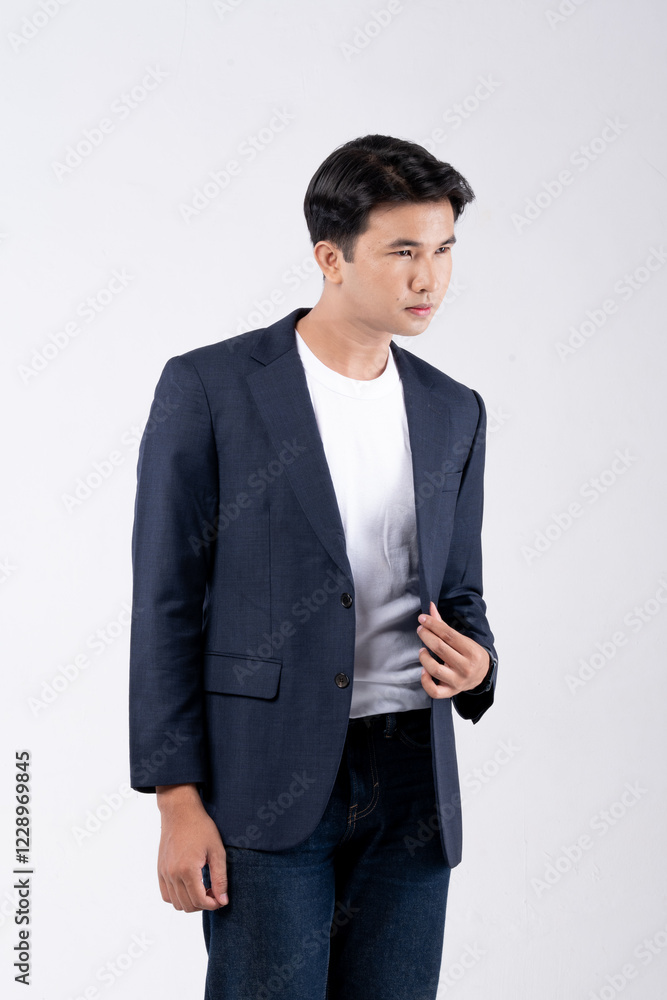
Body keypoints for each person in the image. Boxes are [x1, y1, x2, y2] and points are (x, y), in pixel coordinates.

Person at [128, 133, 498, 1000]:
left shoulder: (453, 410)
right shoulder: (212, 388)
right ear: (331, 258)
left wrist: (478, 663)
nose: (429, 278)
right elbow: (166, 601)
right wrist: (176, 799)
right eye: (401, 252)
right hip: (264, 775)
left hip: (412, 780)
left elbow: (461, 591)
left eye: (443, 249)